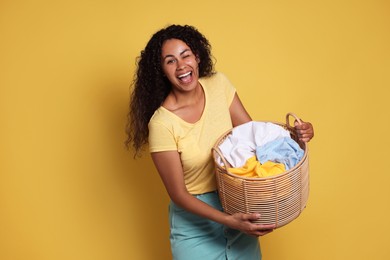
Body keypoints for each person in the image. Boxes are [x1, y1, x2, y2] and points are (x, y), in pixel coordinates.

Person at [125, 24, 314, 260]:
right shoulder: (162, 124)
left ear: (197, 56)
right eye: (170, 61)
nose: (181, 65)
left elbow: (252, 138)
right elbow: (178, 194)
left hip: (236, 204)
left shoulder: (219, 85)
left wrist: (296, 136)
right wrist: (229, 220)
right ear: (161, 70)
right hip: (195, 228)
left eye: (186, 55)